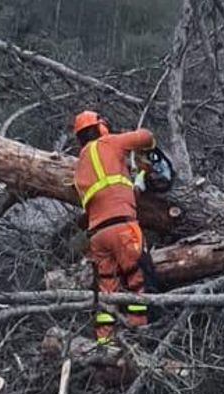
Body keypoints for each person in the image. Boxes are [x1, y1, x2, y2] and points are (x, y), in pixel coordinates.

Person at [71, 110, 155, 343]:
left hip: (98, 236)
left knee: (107, 292)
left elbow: (112, 195)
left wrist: (137, 180)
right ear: (101, 128)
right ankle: (140, 336)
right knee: (139, 281)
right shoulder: (110, 143)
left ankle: (104, 342)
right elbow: (146, 136)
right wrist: (140, 152)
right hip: (123, 229)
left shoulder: (79, 167)